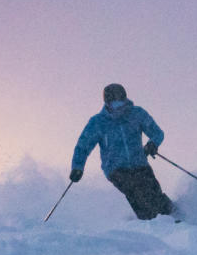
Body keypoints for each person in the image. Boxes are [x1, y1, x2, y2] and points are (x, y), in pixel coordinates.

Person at [70, 83, 175, 220]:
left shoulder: (137, 114)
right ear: (107, 103)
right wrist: (77, 167)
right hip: (116, 169)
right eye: (115, 103)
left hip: (140, 164)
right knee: (136, 192)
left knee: (153, 191)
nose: (119, 106)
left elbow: (157, 133)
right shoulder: (98, 122)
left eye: (121, 101)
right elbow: (83, 146)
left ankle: (174, 216)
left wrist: (152, 144)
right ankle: (154, 221)